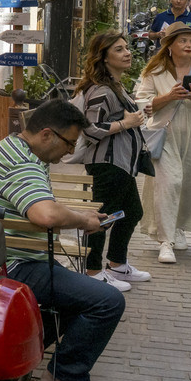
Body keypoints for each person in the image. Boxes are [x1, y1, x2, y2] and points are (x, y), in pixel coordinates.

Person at [0, 99, 123, 381]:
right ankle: (63, 379)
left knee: (79, 298)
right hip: (10, 266)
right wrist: (82, 221)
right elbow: (45, 214)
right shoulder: (22, 163)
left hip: (0, 260)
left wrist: (81, 215)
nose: (71, 151)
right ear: (47, 134)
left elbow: (41, 205)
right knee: (108, 301)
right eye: (69, 143)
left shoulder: (14, 148)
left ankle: (19, 360)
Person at [135, 22, 191, 265]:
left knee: (188, 185)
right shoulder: (155, 71)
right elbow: (142, 104)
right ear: (170, 45)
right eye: (183, 40)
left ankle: (178, 227)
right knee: (169, 183)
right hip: (164, 136)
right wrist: (169, 96)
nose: (188, 45)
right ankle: (166, 241)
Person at [71, 30, 151, 292]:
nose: (127, 53)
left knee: (132, 212)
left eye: (126, 48)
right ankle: (93, 272)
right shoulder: (102, 90)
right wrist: (126, 123)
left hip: (122, 164)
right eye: (119, 49)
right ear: (103, 57)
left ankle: (116, 264)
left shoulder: (115, 85)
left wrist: (138, 113)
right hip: (108, 165)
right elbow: (91, 129)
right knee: (100, 219)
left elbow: (119, 116)